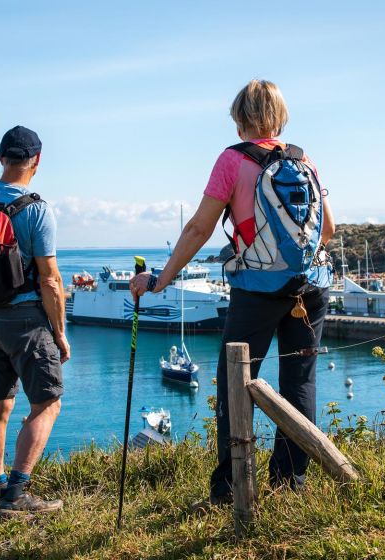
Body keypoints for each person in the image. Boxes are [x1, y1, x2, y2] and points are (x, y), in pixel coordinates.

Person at [130, 80, 335, 505]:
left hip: (256, 291)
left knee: (234, 383)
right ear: (281, 116)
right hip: (310, 289)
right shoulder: (304, 159)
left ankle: (230, 488)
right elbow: (327, 231)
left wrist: (162, 279)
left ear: (239, 118)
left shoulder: (232, 160)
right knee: (300, 383)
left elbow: (199, 227)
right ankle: (289, 485)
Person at [0, 101, 69, 517]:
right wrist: (59, 333)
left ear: (5, 159)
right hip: (25, 321)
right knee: (46, 403)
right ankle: (17, 494)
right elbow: (50, 281)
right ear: (36, 161)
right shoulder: (37, 210)